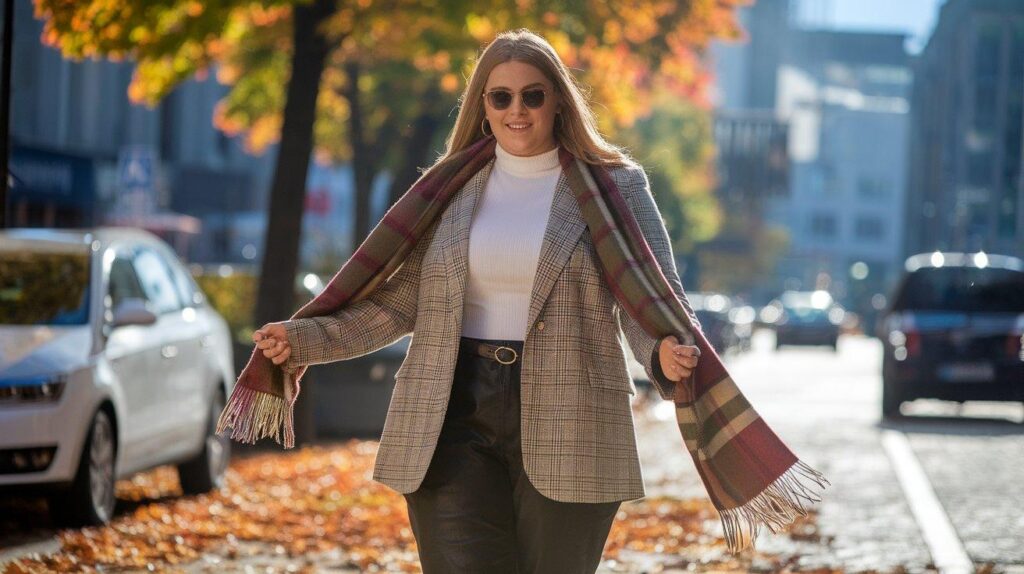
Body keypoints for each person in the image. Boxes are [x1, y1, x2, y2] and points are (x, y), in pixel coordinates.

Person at [251, 29, 702, 574]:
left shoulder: (616, 187)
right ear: (483, 106)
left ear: (559, 101)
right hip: (451, 411)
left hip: (574, 414)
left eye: (532, 95)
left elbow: (649, 295)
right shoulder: (449, 188)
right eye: (501, 97)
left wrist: (661, 351)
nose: (517, 110)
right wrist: (304, 339)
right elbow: (398, 304)